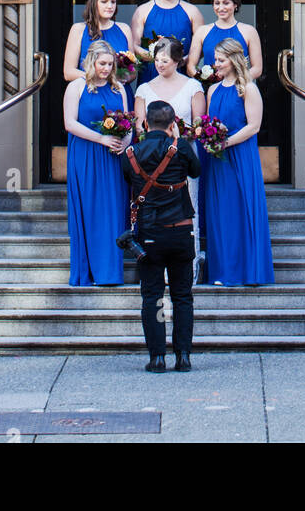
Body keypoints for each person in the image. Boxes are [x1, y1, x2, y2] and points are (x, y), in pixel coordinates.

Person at [121, 99, 200, 372]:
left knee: (152, 296)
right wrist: (177, 140)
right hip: (180, 231)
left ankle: (157, 357)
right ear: (172, 123)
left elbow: (129, 182)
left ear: (145, 123)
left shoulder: (131, 153)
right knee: (182, 296)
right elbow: (196, 171)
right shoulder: (181, 149)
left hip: (149, 234)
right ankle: (184, 356)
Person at [203, 38, 274, 286]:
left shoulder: (248, 88)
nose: (216, 64)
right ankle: (223, 271)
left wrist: (226, 143)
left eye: (221, 60)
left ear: (234, 60)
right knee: (221, 213)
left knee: (240, 208)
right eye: (216, 60)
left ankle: (246, 270)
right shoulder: (212, 90)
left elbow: (253, 126)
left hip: (240, 156)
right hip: (218, 160)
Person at [133, 36, 206, 272]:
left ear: (177, 61)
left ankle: (186, 266)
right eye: (156, 60)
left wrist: (183, 134)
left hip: (182, 155)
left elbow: (198, 123)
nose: (159, 64)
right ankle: (154, 266)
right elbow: (139, 127)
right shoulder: (144, 88)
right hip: (152, 160)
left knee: (185, 208)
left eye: (165, 60)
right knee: (155, 209)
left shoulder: (193, 86)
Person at [64, 40, 130, 286]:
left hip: (113, 157)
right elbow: (70, 123)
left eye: (110, 64)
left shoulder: (118, 89)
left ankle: (110, 273)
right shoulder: (77, 87)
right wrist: (101, 138)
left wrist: (127, 140)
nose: (106, 68)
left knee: (113, 210)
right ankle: (89, 270)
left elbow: (128, 121)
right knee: (90, 210)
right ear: (90, 61)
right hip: (86, 154)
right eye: (102, 63)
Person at [63, 0, 135, 106]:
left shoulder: (124, 29)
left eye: (113, 1)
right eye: (104, 1)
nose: (110, 6)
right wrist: (101, 78)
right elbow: (68, 72)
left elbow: (133, 72)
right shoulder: (78, 29)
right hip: (91, 94)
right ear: (93, 3)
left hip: (118, 94)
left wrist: (124, 77)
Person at [131, 0, 204, 84]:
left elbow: (201, 46)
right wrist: (155, 58)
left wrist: (181, 60)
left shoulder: (192, 11)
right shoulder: (142, 11)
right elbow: (134, 45)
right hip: (151, 74)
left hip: (181, 72)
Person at [185, 0, 263, 81]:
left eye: (226, 3)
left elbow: (257, 69)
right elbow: (190, 67)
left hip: (238, 90)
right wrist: (206, 81)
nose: (221, 8)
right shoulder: (202, 31)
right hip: (210, 91)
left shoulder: (249, 31)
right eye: (217, 3)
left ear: (235, 4)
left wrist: (234, 81)